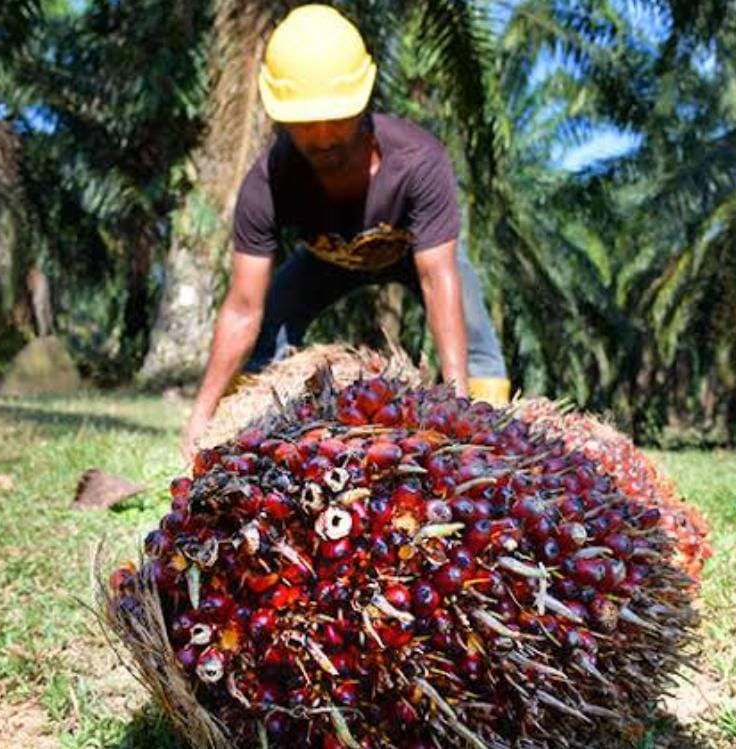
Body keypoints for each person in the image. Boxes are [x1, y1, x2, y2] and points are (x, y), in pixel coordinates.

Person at [181, 4, 509, 458]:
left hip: (415, 256)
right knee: (262, 341)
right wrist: (203, 415)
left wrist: (455, 402)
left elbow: (437, 277)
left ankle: (489, 443)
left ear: (363, 100)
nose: (322, 136)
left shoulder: (420, 161)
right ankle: (245, 443)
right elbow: (241, 308)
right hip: (325, 261)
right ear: (280, 116)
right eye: (304, 123)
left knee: (476, 342)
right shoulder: (266, 183)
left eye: (336, 117)